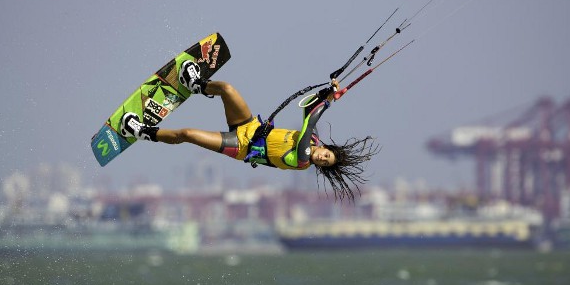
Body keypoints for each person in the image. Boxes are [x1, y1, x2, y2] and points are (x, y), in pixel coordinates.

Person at [120, 60, 379, 201]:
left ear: (320, 166)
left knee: (187, 135)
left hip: (240, 145)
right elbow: (307, 109)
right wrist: (327, 92)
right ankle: (196, 84)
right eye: (327, 154)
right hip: (249, 126)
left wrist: (328, 103)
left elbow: (310, 119)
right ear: (325, 148)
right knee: (228, 89)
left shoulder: (301, 161)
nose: (322, 158)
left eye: (324, 162)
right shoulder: (312, 139)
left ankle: (142, 131)